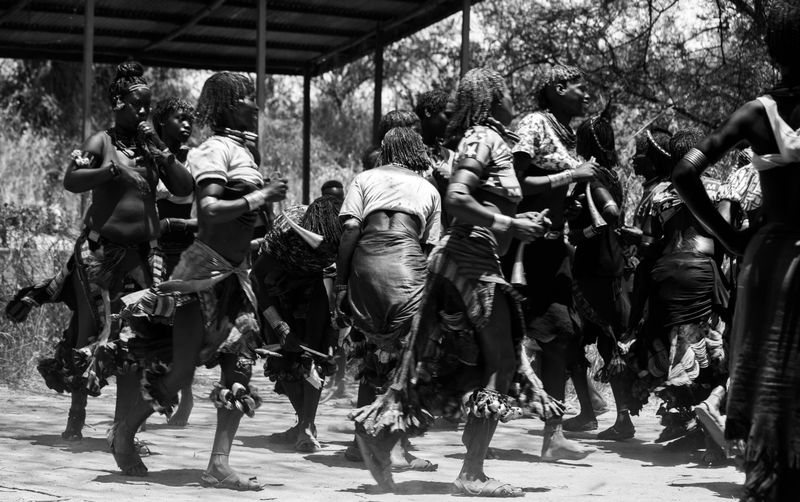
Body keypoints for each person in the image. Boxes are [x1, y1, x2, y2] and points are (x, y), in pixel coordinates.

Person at [348, 68, 560, 496]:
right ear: (494, 98)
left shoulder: (476, 139)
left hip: (466, 261)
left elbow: (474, 199)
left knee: (467, 366)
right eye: (506, 93)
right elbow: (457, 199)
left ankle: (381, 435)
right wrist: (509, 221)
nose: (512, 101)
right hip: (471, 264)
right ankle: (472, 473)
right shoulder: (485, 137)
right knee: (501, 364)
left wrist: (516, 223)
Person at [110, 72, 287, 491]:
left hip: (234, 274)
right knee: (181, 375)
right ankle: (124, 432)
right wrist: (262, 197)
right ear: (227, 106)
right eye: (247, 98)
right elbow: (207, 209)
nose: (255, 105)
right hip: (201, 273)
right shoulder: (214, 149)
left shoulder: (245, 151)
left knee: (240, 363)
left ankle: (219, 464)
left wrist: (269, 225)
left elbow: (242, 214)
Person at [9, 62, 193, 441]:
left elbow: (184, 186)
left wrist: (158, 147)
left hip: (143, 256)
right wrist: (113, 172)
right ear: (117, 103)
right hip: (100, 256)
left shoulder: (151, 146)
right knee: (92, 334)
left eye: (147, 106)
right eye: (135, 105)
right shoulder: (101, 142)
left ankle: (122, 428)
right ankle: (78, 411)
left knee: (136, 337)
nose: (143, 112)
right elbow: (71, 180)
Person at [672, 2, 800, 497]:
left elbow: (684, 172)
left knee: (767, 364)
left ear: (773, 50)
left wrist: (733, 241)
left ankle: (766, 476)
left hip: (768, 257)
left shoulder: (756, 112)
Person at [334, 126, 442, 476]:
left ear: (386, 150)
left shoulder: (365, 178)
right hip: (407, 266)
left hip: (366, 264)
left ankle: (360, 442)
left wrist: (340, 283)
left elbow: (350, 229)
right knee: (404, 359)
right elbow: (428, 246)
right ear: (416, 153)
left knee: (370, 354)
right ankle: (394, 449)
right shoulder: (428, 188)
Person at [505, 63, 599, 461]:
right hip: (525, 249)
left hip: (553, 248)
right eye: (581, 87)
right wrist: (570, 176)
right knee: (512, 337)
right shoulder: (534, 124)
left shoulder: (566, 132)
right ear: (558, 88)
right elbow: (513, 179)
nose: (587, 95)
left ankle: (553, 433)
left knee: (562, 335)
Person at [631, 129, 728, 445]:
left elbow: (649, 242)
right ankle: (705, 424)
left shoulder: (660, 193)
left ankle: (681, 417)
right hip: (701, 271)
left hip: (666, 273)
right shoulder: (720, 188)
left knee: (673, 343)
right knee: (713, 342)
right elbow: (726, 236)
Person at [563, 111, 634, 440]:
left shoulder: (592, 178)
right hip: (608, 267)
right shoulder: (610, 175)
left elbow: (610, 214)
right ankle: (612, 417)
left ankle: (598, 415)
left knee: (588, 342)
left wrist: (584, 234)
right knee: (605, 343)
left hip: (595, 271)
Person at [254, 194, 343, 452]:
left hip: (314, 286)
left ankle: (306, 425)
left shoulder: (343, 231)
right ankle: (304, 423)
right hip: (275, 288)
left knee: (314, 355)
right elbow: (257, 278)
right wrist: (280, 326)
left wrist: (338, 319)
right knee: (284, 357)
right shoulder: (286, 232)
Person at [151, 97, 198, 427]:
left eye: (190, 119)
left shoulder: (195, 160)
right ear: (160, 122)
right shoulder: (144, 157)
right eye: (179, 118)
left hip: (182, 254)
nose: (186, 124)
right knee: (147, 325)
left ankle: (186, 396)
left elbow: (206, 216)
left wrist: (179, 224)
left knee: (182, 326)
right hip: (149, 249)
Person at [415, 89, 456, 224]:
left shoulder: (450, 156)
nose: (452, 122)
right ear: (428, 112)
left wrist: (449, 186)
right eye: (448, 115)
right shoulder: (405, 153)